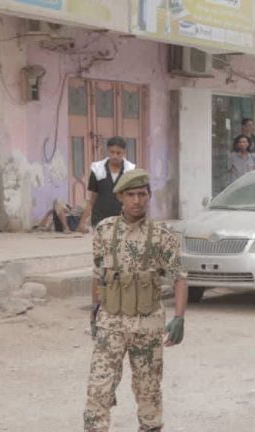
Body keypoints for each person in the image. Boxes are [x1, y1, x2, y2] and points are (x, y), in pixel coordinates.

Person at [84, 169, 188, 432]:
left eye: (142, 194)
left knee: (148, 391)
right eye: (131, 195)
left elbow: (179, 277)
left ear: (149, 196)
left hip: (147, 326)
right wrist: (95, 311)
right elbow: (98, 274)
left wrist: (179, 317)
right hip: (111, 323)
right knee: (98, 389)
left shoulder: (162, 235)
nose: (137, 200)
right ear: (120, 197)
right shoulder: (105, 230)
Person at [78, 136, 136, 232]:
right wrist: (83, 222)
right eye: (112, 152)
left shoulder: (130, 170)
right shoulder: (97, 169)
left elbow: (134, 197)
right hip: (100, 219)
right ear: (107, 151)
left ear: (124, 152)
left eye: (118, 153)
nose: (115, 156)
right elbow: (92, 198)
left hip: (124, 219)